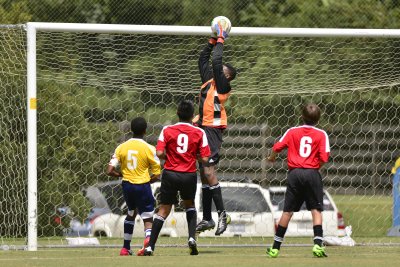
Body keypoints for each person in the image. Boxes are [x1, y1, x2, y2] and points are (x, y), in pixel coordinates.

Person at [142, 100, 211, 256]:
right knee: (189, 205)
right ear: (192, 115)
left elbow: (159, 153)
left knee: (164, 209)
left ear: (177, 113)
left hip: (170, 174)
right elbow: (206, 158)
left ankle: (150, 246)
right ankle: (192, 238)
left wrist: (172, 156)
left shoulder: (167, 129)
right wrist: (192, 156)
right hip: (188, 174)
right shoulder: (199, 132)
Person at [266, 103, 330, 258]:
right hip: (312, 173)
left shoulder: (292, 131)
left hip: (294, 173)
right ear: (318, 119)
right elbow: (325, 158)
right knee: (316, 210)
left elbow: (277, 147)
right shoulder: (321, 134)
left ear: (302, 117)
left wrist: (272, 158)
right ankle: (317, 246)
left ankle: (275, 248)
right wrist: (315, 167)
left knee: (287, 211)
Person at [194, 19, 237, 236]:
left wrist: (221, 38)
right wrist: (211, 41)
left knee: (209, 171)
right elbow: (204, 58)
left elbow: (217, 59)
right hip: (202, 128)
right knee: (203, 172)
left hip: (212, 130)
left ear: (226, 76)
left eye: (222, 70)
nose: (217, 68)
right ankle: (208, 218)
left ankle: (222, 215)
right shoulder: (208, 82)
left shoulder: (223, 85)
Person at [106, 117, 161, 256]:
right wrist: (149, 181)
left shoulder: (121, 147)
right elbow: (157, 174)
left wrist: (122, 175)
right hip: (142, 185)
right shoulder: (149, 148)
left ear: (131, 130)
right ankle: (148, 243)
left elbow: (109, 170)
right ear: (145, 130)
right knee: (148, 218)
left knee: (131, 213)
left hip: (127, 185)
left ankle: (125, 248)